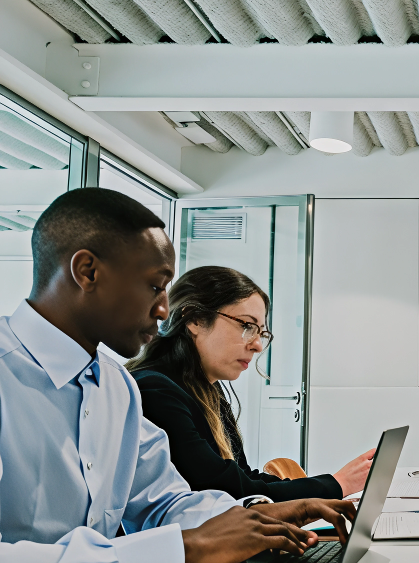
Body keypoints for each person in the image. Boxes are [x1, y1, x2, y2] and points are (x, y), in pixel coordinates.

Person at [0, 188, 355, 563]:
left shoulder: (116, 387)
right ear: (88, 272)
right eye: (155, 286)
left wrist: (256, 515)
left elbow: (163, 502)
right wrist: (183, 548)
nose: (164, 308)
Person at [127, 265, 375, 502]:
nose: (257, 345)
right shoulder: (155, 391)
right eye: (247, 326)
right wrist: (338, 484)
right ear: (195, 319)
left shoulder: (206, 390)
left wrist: (330, 488)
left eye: (260, 333)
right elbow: (230, 491)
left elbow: (243, 478)